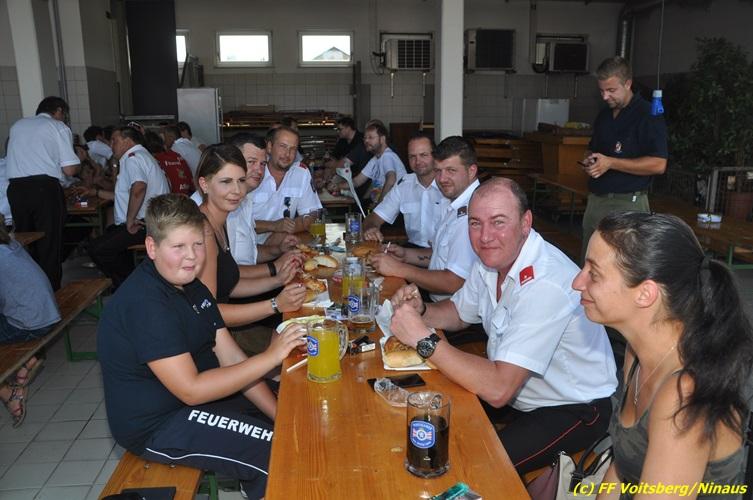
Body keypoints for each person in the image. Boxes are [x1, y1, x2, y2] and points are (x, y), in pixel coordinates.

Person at [390, 177, 617, 474]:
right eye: (475, 223)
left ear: (525, 223)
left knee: (477, 469)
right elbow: (458, 313)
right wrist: (421, 311)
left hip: (572, 407)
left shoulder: (545, 282)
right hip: (517, 394)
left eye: (498, 222)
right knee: (422, 414)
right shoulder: (490, 261)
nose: (485, 236)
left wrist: (422, 338)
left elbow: (498, 389)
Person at [98, 193, 309, 499]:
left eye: (198, 244)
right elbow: (192, 390)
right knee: (276, 453)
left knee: (297, 409)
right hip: (159, 423)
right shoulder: (146, 304)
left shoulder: (191, 284)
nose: (192, 257)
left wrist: (281, 416)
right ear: (152, 248)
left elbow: (230, 356)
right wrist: (270, 357)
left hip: (196, 400)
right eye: (178, 247)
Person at [573, 212, 752, 498]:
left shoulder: (684, 394)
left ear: (645, 294)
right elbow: (623, 464)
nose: (577, 282)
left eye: (593, 273)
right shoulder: (637, 353)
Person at [194, 144, 305, 327]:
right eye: (226, 182)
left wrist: (278, 280)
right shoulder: (202, 230)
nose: (237, 190)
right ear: (204, 184)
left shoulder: (218, 221)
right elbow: (209, 312)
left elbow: (228, 285)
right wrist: (275, 304)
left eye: (241, 180)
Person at [370, 136, 480, 302]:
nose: (442, 179)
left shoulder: (472, 213)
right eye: (439, 171)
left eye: (451, 170)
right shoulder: (456, 204)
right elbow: (442, 255)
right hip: (441, 299)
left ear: (471, 171)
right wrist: (405, 255)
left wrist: (400, 268)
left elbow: (453, 282)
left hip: (452, 307)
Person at [581, 56, 668, 260]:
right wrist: (590, 160)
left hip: (627, 203)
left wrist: (611, 163)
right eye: (602, 91)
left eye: (611, 90)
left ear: (628, 84)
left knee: (620, 266)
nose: (605, 96)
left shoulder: (648, 115)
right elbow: (592, 149)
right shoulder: (604, 115)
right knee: (589, 263)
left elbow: (659, 164)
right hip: (595, 201)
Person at [6, 96, 80, 290]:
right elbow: (70, 170)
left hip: (16, 189)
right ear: (59, 111)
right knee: (49, 244)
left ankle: (27, 289)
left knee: (25, 241)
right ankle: (51, 293)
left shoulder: (18, 125)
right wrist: (79, 161)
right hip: (44, 189)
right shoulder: (57, 126)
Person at [86, 126, 170, 289]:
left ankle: (129, 285)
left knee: (97, 249)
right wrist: (96, 192)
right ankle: (130, 284)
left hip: (146, 224)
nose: (111, 145)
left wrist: (130, 220)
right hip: (150, 221)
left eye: (114, 141)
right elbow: (124, 195)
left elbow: (139, 188)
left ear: (128, 141)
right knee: (111, 237)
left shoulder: (133, 158)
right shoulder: (140, 156)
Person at [0, 215, 59, 427]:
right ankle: (29, 360)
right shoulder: (11, 244)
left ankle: (8, 393)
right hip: (48, 314)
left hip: (31, 323)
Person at [362, 133, 443, 248]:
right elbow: (373, 218)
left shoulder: (447, 185)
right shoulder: (404, 185)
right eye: (412, 156)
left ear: (435, 157)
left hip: (443, 253)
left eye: (423, 155)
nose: (418, 161)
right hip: (412, 251)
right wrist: (371, 228)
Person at [253, 126, 322, 245]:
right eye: (283, 146)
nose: (287, 154)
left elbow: (313, 214)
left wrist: (288, 228)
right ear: (269, 147)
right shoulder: (253, 173)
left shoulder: (301, 173)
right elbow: (236, 222)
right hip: (248, 247)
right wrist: (274, 226)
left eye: (293, 149)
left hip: (283, 245)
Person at [331, 120, 406, 207]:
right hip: (384, 206)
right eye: (365, 138)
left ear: (382, 139)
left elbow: (391, 180)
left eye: (370, 137)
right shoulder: (375, 159)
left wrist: (379, 205)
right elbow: (357, 181)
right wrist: (337, 186)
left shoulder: (387, 155)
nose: (366, 141)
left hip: (396, 208)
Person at [143, 130, 195, 196]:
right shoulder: (176, 155)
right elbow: (191, 180)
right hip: (187, 195)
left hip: (171, 198)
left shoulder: (153, 160)